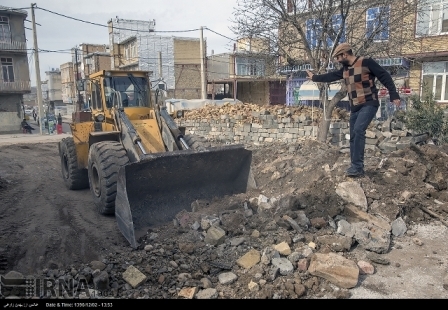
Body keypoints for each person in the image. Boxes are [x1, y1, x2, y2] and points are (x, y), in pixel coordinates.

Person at [306, 43, 401, 177]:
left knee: (358, 130)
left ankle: (357, 167)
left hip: (369, 104)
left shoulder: (366, 62)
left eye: (338, 57)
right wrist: (315, 77)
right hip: (355, 108)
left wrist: (393, 94)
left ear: (345, 54)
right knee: (353, 136)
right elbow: (331, 76)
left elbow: (384, 76)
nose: (337, 61)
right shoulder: (345, 70)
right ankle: (355, 167)